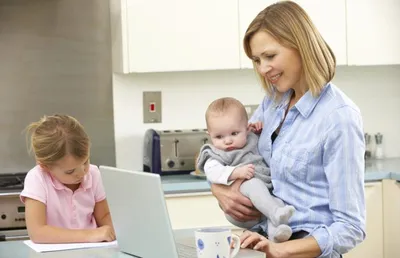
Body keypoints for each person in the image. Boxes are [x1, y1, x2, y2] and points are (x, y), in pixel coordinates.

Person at [210, 1, 366, 258]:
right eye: (257, 60)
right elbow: (231, 151)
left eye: (270, 56)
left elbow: (350, 227)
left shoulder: (339, 118)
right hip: (263, 243)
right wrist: (220, 188)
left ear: (300, 44)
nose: (262, 69)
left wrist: (281, 250)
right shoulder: (273, 101)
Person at [197, 97, 295, 243]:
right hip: (240, 207)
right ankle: (275, 214)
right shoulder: (216, 154)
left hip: (263, 202)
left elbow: (264, 140)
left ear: (246, 128)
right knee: (253, 184)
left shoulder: (251, 139)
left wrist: (258, 130)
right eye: (219, 136)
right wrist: (235, 173)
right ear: (209, 136)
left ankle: (276, 233)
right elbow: (211, 171)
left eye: (234, 133)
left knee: (278, 202)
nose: (227, 141)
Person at [20, 114, 116, 243]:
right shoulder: (37, 178)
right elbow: (37, 233)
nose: (82, 173)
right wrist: (91, 235)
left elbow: (104, 216)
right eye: (70, 171)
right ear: (45, 166)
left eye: (85, 162)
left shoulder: (93, 173)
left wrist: (115, 230)